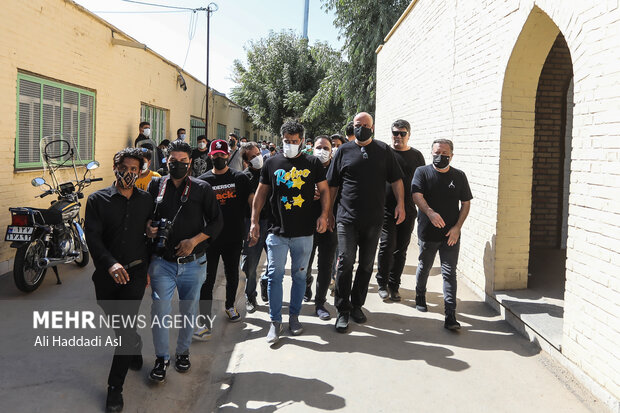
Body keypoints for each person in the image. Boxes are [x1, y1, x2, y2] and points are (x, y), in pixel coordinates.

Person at [146, 140, 223, 383]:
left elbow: (216, 223)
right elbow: (146, 217)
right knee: (160, 311)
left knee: (189, 311)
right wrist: (148, 228)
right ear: (166, 161)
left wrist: (194, 240)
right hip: (162, 262)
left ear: (190, 163)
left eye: (182, 162)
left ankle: (182, 352)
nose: (177, 166)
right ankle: (162, 358)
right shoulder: (156, 184)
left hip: (194, 262)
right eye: (173, 162)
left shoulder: (202, 188)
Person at [249, 120, 330, 344]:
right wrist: (254, 222)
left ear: (302, 141)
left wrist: (324, 214)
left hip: (304, 233)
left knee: (300, 276)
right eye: (287, 141)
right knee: (274, 276)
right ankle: (275, 322)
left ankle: (294, 317)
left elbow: (324, 191)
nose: (290, 145)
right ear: (281, 139)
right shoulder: (271, 162)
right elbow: (260, 194)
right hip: (277, 231)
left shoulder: (313, 162)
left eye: (295, 141)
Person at [85, 148, 153, 412]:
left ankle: (115, 388)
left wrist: (151, 235)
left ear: (140, 171)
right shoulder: (97, 200)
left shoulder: (146, 200)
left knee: (123, 329)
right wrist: (110, 263)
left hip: (135, 272)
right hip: (105, 275)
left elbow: (149, 234)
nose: (129, 173)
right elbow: (93, 237)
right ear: (115, 168)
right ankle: (134, 342)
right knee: (118, 323)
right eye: (125, 167)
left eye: (135, 169)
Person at [327, 112, 405, 333]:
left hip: (374, 220)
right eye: (357, 125)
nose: (361, 128)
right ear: (352, 126)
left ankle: (356, 306)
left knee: (366, 265)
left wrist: (400, 204)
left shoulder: (383, 150)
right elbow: (333, 184)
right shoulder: (343, 150)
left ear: (373, 127)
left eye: (365, 125)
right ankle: (342, 310)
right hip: (346, 219)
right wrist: (327, 212)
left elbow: (397, 179)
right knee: (345, 263)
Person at [411, 139, 472, 330]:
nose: (441, 157)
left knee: (449, 272)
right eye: (437, 153)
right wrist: (430, 212)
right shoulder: (422, 172)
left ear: (452, 155)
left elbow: (466, 203)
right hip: (428, 233)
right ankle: (420, 294)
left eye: (445, 154)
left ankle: (450, 315)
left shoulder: (459, 176)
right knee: (425, 266)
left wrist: (457, 228)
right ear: (431, 153)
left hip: (451, 235)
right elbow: (416, 195)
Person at [196, 140, 251, 332]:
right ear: (210, 156)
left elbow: (251, 204)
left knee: (232, 274)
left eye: (222, 154)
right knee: (207, 279)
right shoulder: (202, 181)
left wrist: (254, 225)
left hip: (234, 237)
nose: (219, 157)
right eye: (215, 154)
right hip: (209, 239)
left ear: (228, 155)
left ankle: (229, 305)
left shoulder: (240, 178)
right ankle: (203, 318)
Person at [376, 120, 426, 301]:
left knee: (401, 250)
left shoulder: (417, 156)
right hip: (386, 209)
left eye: (402, 133)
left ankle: (394, 284)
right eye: (395, 133)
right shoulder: (384, 153)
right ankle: (381, 283)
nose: (398, 136)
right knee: (387, 246)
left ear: (409, 135)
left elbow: (422, 183)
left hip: (409, 210)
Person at [304, 136, 337, 321]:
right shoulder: (305, 165)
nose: (322, 150)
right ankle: (307, 285)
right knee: (305, 265)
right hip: (308, 225)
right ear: (312, 149)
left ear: (331, 150)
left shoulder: (337, 168)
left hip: (330, 225)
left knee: (325, 265)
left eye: (326, 147)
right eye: (319, 147)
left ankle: (320, 303)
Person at [239, 142, 270, 313]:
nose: (258, 158)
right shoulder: (245, 177)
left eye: (258, 153)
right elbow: (253, 202)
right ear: (246, 161)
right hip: (253, 222)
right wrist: (254, 223)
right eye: (253, 157)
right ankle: (250, 295)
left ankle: (265, 280)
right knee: (250, 264)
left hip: (271, 222)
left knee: (274, 262)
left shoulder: (269, 171)